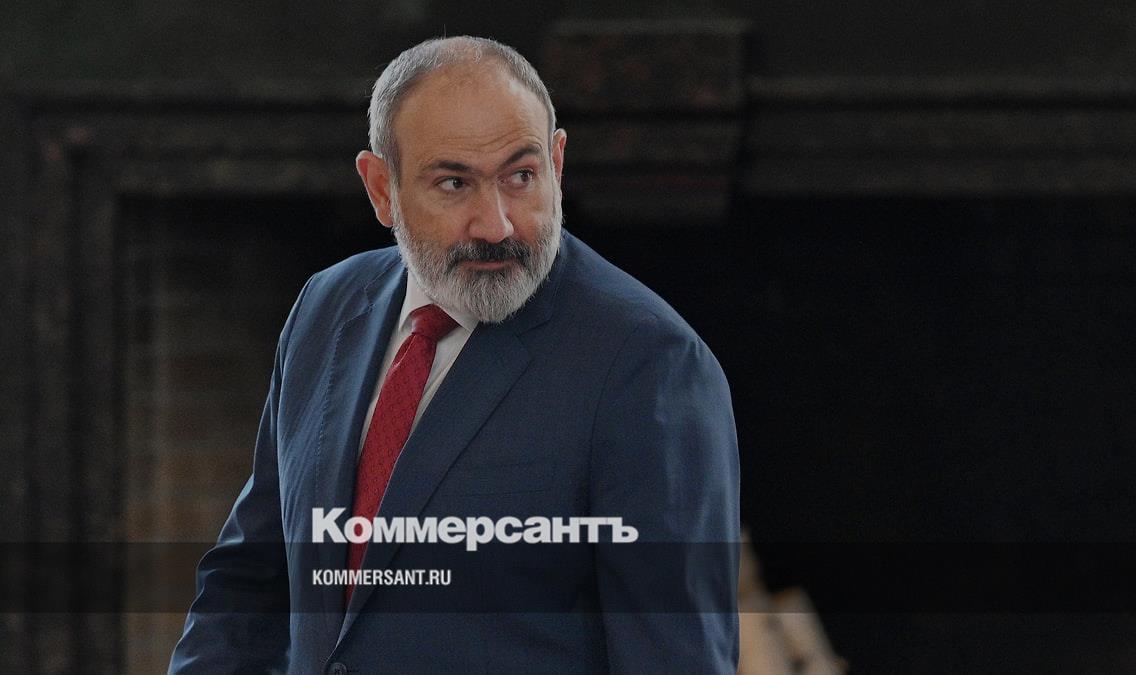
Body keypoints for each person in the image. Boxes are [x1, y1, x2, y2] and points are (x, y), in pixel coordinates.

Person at [168, 35, 740, 674]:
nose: (496, 225)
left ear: (557, 163)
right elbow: (250, 583)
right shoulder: (325, 308)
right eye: (453, 183)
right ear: (381, 189)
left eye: (520, 177)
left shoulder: (650, 364)